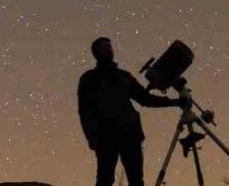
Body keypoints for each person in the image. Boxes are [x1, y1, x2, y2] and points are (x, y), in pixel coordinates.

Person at [78, 37, 184, 186]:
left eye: (110, 47)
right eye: (104, 48)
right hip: (105, 137)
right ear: (96, 53)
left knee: (136, 180)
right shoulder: (89, 79)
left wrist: (174, 102)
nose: (109, 50)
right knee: (105, 180)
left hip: (130, 134)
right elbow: (84, 111)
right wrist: (91, 137)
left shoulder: (123, 76)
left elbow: (145, 99)